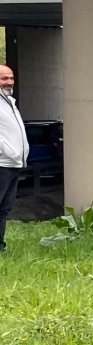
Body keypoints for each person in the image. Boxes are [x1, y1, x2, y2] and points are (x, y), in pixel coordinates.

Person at [0, 65, 25, 251]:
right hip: (2, 163)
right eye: (3, 78)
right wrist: (6, 151)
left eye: (11, 78)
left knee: (3, 209)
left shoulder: (8, 101)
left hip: (12, 164)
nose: (9, 82)